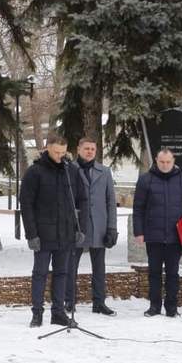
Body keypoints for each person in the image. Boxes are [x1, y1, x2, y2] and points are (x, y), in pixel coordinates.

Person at [20, 133, 87, 328]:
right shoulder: (35, 172)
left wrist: (79, 227)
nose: (60, 156)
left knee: (62, 273)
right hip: (43, 234)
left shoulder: (71, 171)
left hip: (66, 233)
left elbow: (82, 199)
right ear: (47, 148)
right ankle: (37, 313)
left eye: (63, 152)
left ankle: (58, 313)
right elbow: (26, 204)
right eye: (56, 152)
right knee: (40, 273)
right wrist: (31, 234)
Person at [133, 148, 182, 317]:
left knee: (172, 274)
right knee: (154, 273)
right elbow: (138, 208)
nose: (165, 165)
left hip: (175, 237)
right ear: (156, 160)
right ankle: (154, 307)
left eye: (168, 162)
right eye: (162, 161)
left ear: (173, 161)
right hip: (153, 236)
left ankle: (171, 308)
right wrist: (138, 231)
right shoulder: (145, 180)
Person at [65, 137, 118, 316]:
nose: (89, 152)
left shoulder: (104, 171)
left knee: (99, 267)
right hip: (77, 226)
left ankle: (99, 302)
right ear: (79, 149)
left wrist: (112, 228)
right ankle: (69, 301)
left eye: (92, 149)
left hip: (99, 226)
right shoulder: (69, 169)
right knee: (71, 266)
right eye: (86, 148)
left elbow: (111, 201)